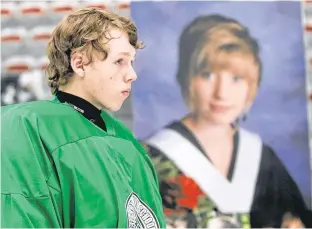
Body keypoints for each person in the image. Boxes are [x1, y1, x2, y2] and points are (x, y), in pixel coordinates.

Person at [143, 14, 312, 228]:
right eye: (207, 75)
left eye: (236, 79)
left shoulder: (262, 157)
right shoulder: (152, 157)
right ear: (185, 78)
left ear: (252, 85)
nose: (222, 93)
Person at [1, 8, 165, 228]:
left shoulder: (127, 141)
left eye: (132, 62)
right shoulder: (26, 126)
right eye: (119, 62)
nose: (132, 75)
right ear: (79, 64)